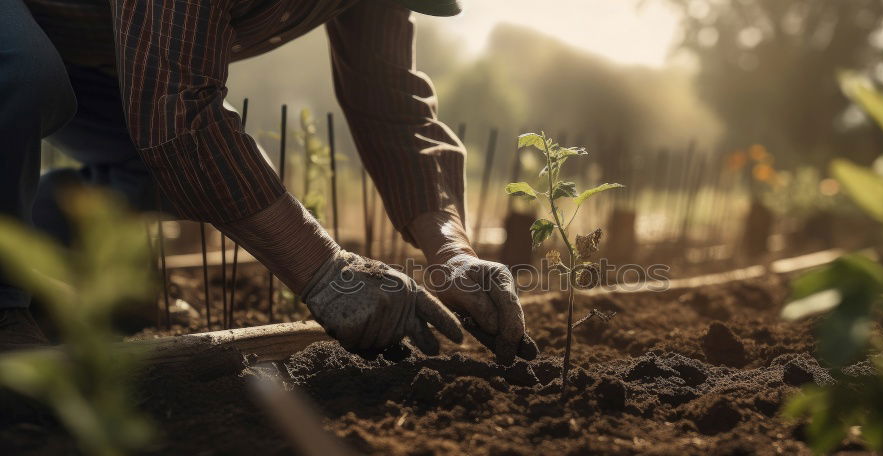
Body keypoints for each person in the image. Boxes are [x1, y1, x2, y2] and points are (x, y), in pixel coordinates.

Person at [0, 0, 537, 364]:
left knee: (159, 175)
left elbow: (392, 104)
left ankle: (41, 271)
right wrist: (324, 271)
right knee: (22, 72)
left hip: (94, 48)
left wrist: (452, 252)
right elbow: (177, 109)